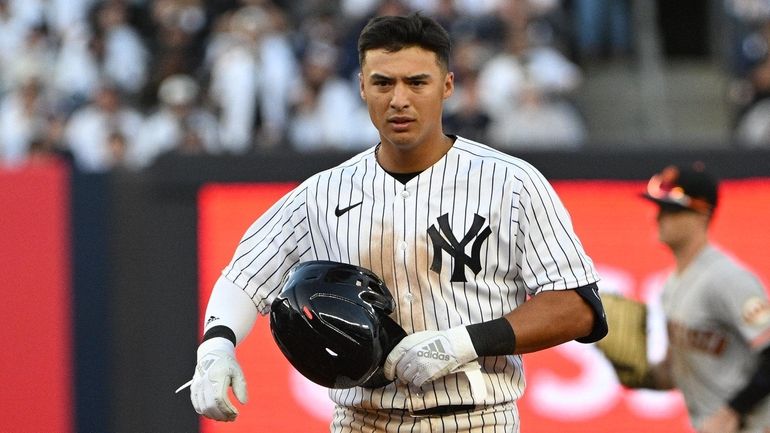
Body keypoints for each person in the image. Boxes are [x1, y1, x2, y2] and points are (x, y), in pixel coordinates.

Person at [183, 13, 606, 432]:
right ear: (363, 88)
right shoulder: (325, 192)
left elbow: (577, 306)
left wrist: (461, 343)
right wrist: (216, 347)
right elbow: (244, 277)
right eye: (384, 82)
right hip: (361, 421)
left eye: (417, 82)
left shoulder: (511, 182)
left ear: (447, 86)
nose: (399, 99)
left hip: (478, 419)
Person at [637, 164, 770, 433]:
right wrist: (635, 368)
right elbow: (674, 374)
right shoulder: (670, 286)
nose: (659, 217)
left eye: (672, 209)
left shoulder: (727, 278)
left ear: (702, 215)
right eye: (659, 208)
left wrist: (731, 412)